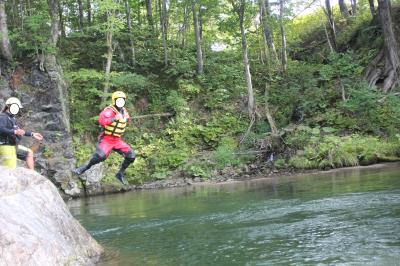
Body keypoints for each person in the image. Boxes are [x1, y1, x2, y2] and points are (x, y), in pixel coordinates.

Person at [73, 91, 135, 185]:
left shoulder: (124, 111)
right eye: (119, 100)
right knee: (100, 156)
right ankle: (85, 167)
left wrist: (127, 120)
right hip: (107, 139)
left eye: (122, 100)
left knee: (131, 155)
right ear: (114, 100)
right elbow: (102, 122)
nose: (121, 102)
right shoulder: (109, 111)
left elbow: (127, 122)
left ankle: (120, 173)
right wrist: (114, 118)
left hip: (117, 140)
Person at [0, 97, 43, 169]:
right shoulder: (3, 117)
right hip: (5, 146)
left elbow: (20, 131)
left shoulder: (12, 118)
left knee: (29, 153)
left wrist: (32, 134)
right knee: (11, 170)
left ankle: (32, 175)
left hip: (13, 145)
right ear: (8, 106)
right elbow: (1, 128)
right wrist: (14, 131)